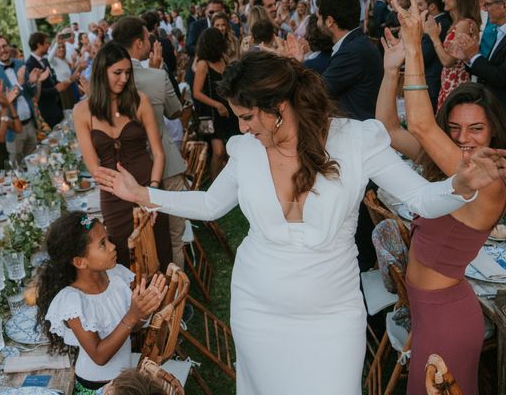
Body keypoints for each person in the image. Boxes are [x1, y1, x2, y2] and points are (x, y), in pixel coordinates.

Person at [95, 50, 504, 395]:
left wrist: (460, 184)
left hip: (332, 315)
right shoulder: (245, 150)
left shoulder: (356, 140)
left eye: (247, 116)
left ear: (278, 107)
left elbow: (420, 198)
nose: (241, 127)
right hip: (257, 309)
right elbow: (209, 204)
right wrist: (143, 195)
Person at [376, 0, 506, 395]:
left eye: (476, 129)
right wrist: (391, 70)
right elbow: (389, 130)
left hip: (447, 318)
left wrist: (415, 45)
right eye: (455, 129)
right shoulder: (452, 170)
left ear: (494, 132)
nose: (463, 140)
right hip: (429, 311)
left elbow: (418, 124)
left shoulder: (488, 181)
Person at [37, 212, 166, 394]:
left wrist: (143, 312)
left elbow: (130, 328)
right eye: (103, 244)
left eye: (108, 239)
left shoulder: (116, 277)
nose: (113, 247)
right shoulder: (73, 302)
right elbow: (99, 355)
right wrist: (131, 316)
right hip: (96, 387)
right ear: (80, 262)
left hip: (123, 380)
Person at [73, 42, 172, 270]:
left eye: (128, 72)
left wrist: (153, 192)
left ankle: (170, 301)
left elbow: (157, 152)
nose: (124, 78)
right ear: (101, 72)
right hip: (113, 195)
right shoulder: (82, 112)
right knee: (122, 255)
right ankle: (132, 303)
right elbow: (93, 167)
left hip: (149, 185)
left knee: (160, 247)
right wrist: (122, 190)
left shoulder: (140, 101)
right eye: (117, 72)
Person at [111, 16, 187, 268]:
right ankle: (178, 300)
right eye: (147, 38)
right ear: (138, 42)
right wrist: (157, 70)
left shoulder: (107, 83)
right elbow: (175, 112)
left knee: (142, 239)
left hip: (127, 172)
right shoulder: (155, 77)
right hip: (165, 166)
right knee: (174, 238)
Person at [317, 0, 383, 121]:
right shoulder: (357, 43)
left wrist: (294, 61)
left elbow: (316, 93)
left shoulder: (351, 52)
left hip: (357, 133)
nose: (317, 23)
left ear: (329, 21)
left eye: (318, 17)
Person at [422, 0, 480, 109]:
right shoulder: (459, 23)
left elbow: (448, 61)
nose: (443, 0)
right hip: (450, 82)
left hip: (456, 83)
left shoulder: (463, 24)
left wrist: (434, 37)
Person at [450, 0, 506, 107]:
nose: (485, 9)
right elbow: (490, 69)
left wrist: (474, 55)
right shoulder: (499, 31)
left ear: (503, 5)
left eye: (488, 4)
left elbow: (501, 78)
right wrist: (467, 58)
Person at [193, 28, 239, 179]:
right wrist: (217, 105)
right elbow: (196, 92)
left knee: (230, 150)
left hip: (228, 111)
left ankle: (229, 181)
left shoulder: (223, 59)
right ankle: (214, 184)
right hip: (211, 114)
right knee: (218, 151)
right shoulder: (203, 64)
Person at [0, 35, 38, 164]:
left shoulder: (20, 63)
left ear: (9, 46)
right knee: (18, 170)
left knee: (35, 165)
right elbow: (3, 99)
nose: (3, 50)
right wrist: (19, 84)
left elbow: (31, 94)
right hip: (13, 130)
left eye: (4, 46)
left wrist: (32, 82)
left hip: (30, 124)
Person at [416, 0, 452, 110]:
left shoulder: (435, 24)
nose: (417, 9)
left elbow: (424, 56)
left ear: (431, 7)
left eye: (420, 5)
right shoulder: (444, 21)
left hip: (432, 81)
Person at [25, 32, 67, 129]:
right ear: (39, 44)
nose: (49, 46)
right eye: (47, 43)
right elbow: (35, 93)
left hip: (56, 106)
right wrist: (55, 89)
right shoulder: (29, 64)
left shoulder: (44, 60)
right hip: (46, 110)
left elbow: (52, 78)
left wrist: (60, 84)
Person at [185, 0, 225, 87]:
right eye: (211, 12)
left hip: (221, 75)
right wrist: (208, 52)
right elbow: (189, 47)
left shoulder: (228, 26)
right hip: (198, 73)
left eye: (217, 12)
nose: (214, 14)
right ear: (206, 11)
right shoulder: (196, 26)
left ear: (223, 11)